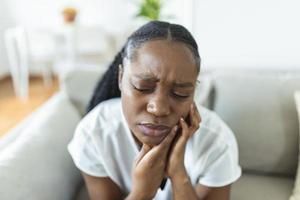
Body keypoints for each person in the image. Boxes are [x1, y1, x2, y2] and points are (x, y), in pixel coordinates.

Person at [68, 21, 241, 200]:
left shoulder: (216, 142)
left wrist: (178, 175)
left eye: (181, 93)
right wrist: (142, 193)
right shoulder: (94, 134)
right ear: (121, 78)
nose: (159, 109)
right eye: (143, 87)